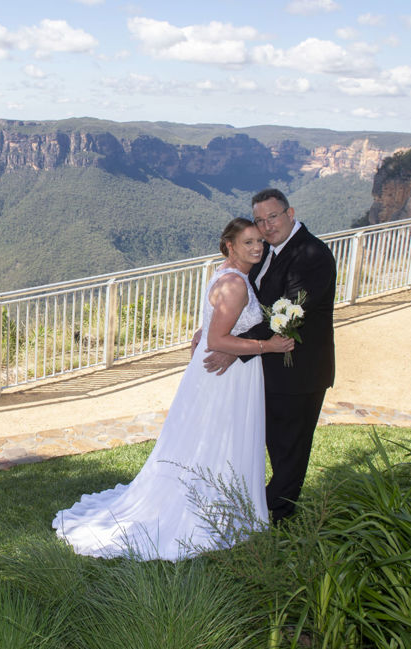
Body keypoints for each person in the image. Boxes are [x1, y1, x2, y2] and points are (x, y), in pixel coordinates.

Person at [52, 218, 294, 560]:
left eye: (260, 242)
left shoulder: (225, 272)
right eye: (249, 242)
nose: (258, 248)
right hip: (226, 376)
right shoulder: (235, 284)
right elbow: (217, 339)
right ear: (230, 246)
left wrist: (206, 332)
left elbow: (212, 325)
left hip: (218, 371)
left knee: (206, 436)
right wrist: (269, 346)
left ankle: (221, 499)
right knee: (220, 436)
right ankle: (212, 506)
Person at [202, 188, 336, 523]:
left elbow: (290, 313)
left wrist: (234, 348)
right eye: (260, 221)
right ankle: (262, 503)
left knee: (290, 446)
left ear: (290, 214)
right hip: (273, 368)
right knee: (274, 441)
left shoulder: (311, 254)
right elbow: (257, 306)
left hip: (299, 370)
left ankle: (276, 514)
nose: (266, 226)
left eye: (272, 217)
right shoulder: (270, 253)